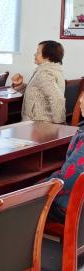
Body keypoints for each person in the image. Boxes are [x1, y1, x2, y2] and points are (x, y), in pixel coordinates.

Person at [47, 93, 84, 223]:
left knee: (23, 205)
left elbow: (70, 179)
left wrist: (36, 189)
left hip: (74, 208)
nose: (80, 100)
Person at [11, 40, 66, 123]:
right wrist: (20, 85)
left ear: (47, 56)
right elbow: (37, 91)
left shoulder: (44, 73)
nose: (35, 54)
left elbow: (57, 99)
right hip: (40, 122)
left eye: (38, 52)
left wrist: (58, 124)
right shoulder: (53, 70)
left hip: (39, 124)